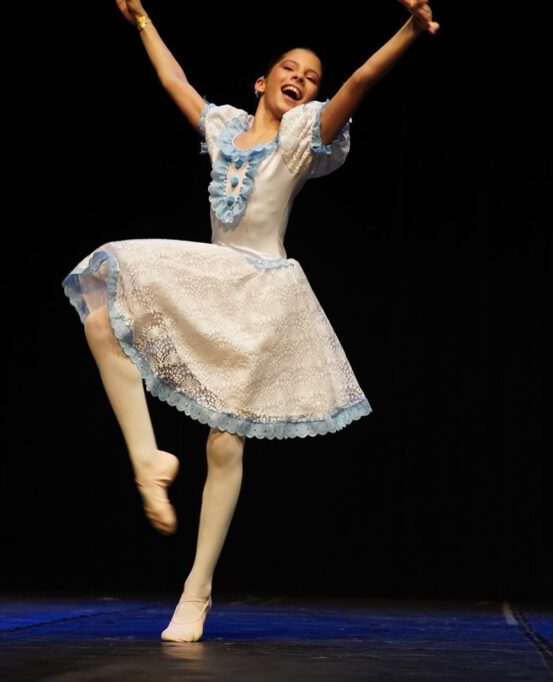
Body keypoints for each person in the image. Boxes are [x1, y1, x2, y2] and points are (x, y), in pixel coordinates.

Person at [61, 0, 439, 642]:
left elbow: (359, 84)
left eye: (311, 76)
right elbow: (176, 84)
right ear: (261, 82)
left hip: (261, 290)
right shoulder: (225, 129)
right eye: (288, 69)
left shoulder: (304, 138)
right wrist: (145, 21)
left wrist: (409, 31)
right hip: (209, 279)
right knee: (101, 308)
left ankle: (196, 591)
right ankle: (147, 458)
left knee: (224, 441)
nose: (301, 78)